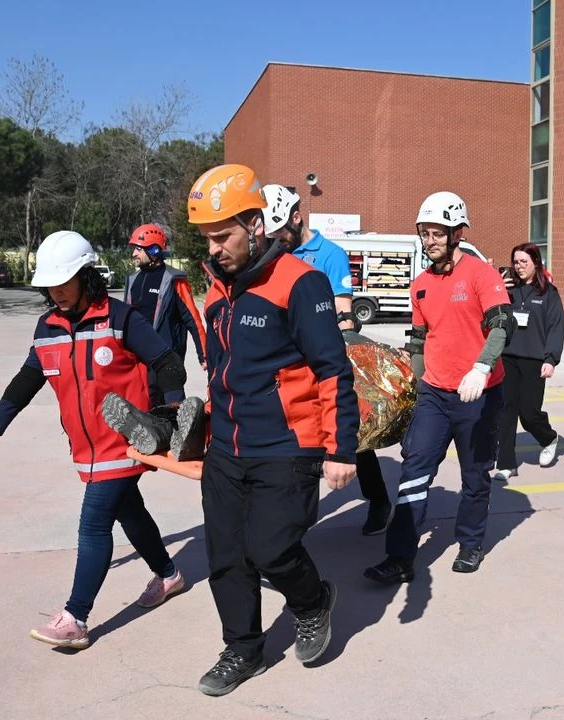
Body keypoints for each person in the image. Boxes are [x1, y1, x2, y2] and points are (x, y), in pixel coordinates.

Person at [0, 230, 188, 650]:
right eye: (50, 285)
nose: (57, 292)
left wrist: (172, 410)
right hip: (84, 446)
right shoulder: (47, 326)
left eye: (64, 282)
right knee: (130, 511)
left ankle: (75, 617)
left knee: (94, 523)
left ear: (88, 276)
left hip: (125, 441)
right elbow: (29, 378)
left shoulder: (122, 318)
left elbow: (167, 362)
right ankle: (169, 574)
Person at [186, 164, 358, 697]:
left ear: (255, 225)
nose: (214, 249)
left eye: (223, 236)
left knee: (272, 549)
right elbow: (221, 372)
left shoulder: (301, 284)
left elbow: (333, 368)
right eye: (207, 239)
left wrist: (340, 448)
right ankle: (243, 648)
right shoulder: (217, 294)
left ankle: (312, 602)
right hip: (227, 450)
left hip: (288, 445)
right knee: (226, 557)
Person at [363, 190, 514, 585]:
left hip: (479, 393)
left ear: (457, 234)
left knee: (476, 473)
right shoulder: (420, 285)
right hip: (434, 392)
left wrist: (482, 368)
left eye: (437, 233)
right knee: (414, 469)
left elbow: (502, 324)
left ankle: (470, 542)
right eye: (424, 233)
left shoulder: (483, 274)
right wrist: (411, 390)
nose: (429, 240)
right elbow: (418, 341)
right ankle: (399, 558)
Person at [263, 183, 393, 536]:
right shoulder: (273, 255)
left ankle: (379, 500)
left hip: (322, 361)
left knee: (349, 435)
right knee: (295, 440)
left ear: (296, 217)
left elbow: (343, 312)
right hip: (287, 366)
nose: (276, 241)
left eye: (280, 234)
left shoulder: (330, 254)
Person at [492, 243, 563, 481]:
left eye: (524, 262)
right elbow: (489, 315)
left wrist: (551, 359)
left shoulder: (548, 293)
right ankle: (506, 464)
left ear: (536, 263)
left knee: (529, 413)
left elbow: (555, 328)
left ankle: (548, 438)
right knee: (506, 410)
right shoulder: (508, 290)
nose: (519, 267)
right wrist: (498, 290)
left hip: (534, 359)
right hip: (508, 357)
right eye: (516, 262)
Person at [125, 222, 207, 403]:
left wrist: (204, 354)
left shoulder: (174, 279)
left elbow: (192, 318)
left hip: (168, 360)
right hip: (139, 361)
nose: (134, 254)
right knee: (146, 414)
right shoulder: (132, 280)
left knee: (175, 416)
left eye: (138, 249)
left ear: (154, 250)